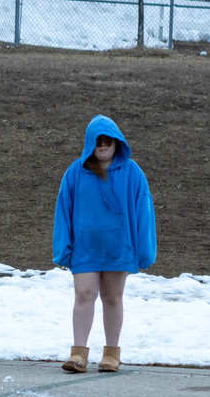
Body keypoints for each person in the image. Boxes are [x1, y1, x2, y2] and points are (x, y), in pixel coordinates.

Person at [52, 115, 156, 373]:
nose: (103, 145)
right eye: (97, 141)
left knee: (112, 297)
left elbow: (144, 211)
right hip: (85, 248)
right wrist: (63, 247)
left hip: (118, 248)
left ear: (116, 142)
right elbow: (63, 209)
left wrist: (145, 250)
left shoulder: (133, 172)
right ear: (90, 143)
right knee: (84, 294)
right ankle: (78, 354)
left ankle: (111, 354)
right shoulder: (75, 172)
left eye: (107, 140)